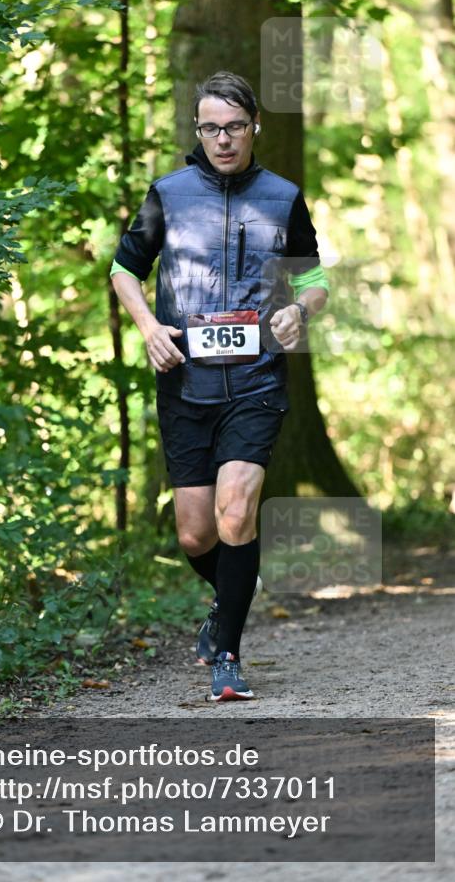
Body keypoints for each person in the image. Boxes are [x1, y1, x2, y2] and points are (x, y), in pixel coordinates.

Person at [110, 71, 329, 701]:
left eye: (234, 126)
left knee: (238, 507)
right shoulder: (168, 194)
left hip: (257, 379)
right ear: (197, 130)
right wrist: (149, 325)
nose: (223, 139)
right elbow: (125, 271)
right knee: (196, 533)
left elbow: (315, 279)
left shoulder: (284, 196)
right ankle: (234, 588)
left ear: (255, 125)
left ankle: (227, 652)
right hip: (186, 382)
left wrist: (300, 311)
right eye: (210, 128)